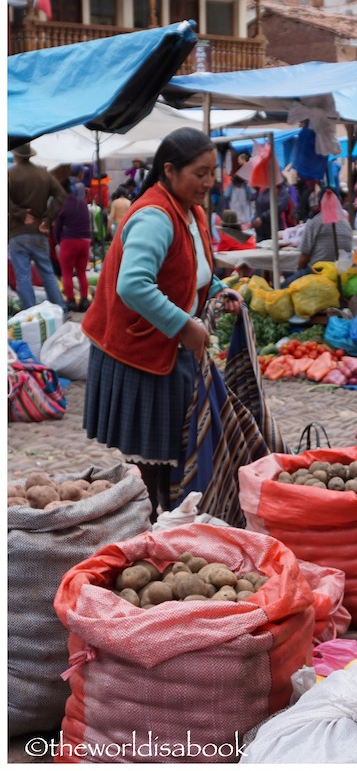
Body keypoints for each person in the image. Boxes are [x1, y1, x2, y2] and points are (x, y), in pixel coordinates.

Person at [80, 128, 240, 516]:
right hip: (138, 350)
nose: (208, 182)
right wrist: (184, 325)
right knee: (153, 457)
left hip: (163, 346)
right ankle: (148, 522)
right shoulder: (154, 216)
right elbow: (133, 285)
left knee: (173, 449)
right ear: (169, 171)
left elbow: (192, 268)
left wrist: (218, 289)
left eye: (212, 172)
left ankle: (168, 515)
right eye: (199, 173)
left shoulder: (191, 211)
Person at [8, 143, 68, 311]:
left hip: (18, 233)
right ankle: (60, 310)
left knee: (23, 276)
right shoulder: (44, 174)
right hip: (40, 230)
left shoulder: (9, 174)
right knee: (48, 274)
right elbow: (61, 195)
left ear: (15, 155)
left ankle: (30, 313)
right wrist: (48, 219)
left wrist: (19, 213)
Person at [287, 194, 354, 284]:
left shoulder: (315, 222)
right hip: (342, 272)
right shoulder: (346, 224)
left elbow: (304, 257)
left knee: (284, 285)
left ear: (319, 205)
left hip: (318, 272)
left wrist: (299, 272)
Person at [52, 178, 94, 312]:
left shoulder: (62, 205)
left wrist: (58, 240)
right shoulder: (82, 203)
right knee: (82, 273)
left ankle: (70, 301)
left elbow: (57, 228)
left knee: (67, 273)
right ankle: (84, 300)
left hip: (69, 241)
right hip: (85, 241)